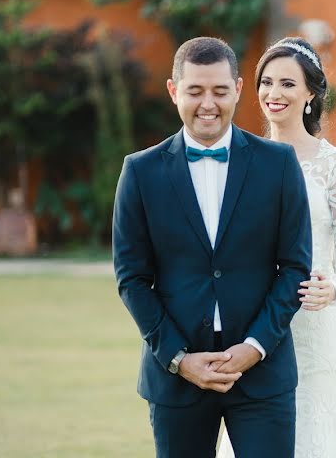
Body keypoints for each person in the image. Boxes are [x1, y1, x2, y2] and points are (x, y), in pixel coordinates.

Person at [112, 37, 312, 458]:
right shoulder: (140, 172)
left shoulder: (278, 164)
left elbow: (294, 267)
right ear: (174, 91)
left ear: (238, 90)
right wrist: (179, 359)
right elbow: (132, 278)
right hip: (175, 379)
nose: (208, 103)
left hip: (263, 375)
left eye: (220, 91)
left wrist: (253, 347)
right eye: (195, 91)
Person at [218, 37, 336, 457]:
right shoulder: (237, 158)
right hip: (255, 322)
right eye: (266, 82)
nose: (273, 93)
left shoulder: (335, 164)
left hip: (318, 323)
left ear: (310, 94)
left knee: (321, 427)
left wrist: (334, 287)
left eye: (287, 83)